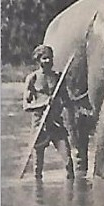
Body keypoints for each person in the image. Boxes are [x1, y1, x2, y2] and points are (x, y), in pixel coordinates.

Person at [22, 45, 74, 180]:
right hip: (40, 126)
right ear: (38, 60)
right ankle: (38, 197)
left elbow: (67, 101)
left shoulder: (58, 78)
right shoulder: (32, 78)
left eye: (50, 58)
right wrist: (42, 104)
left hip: (56, 125)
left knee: (69, 163)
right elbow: (26, 106)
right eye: (45, 58)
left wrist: (75, 105)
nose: (48, 61)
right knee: (37, 170)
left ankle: (71, 196)